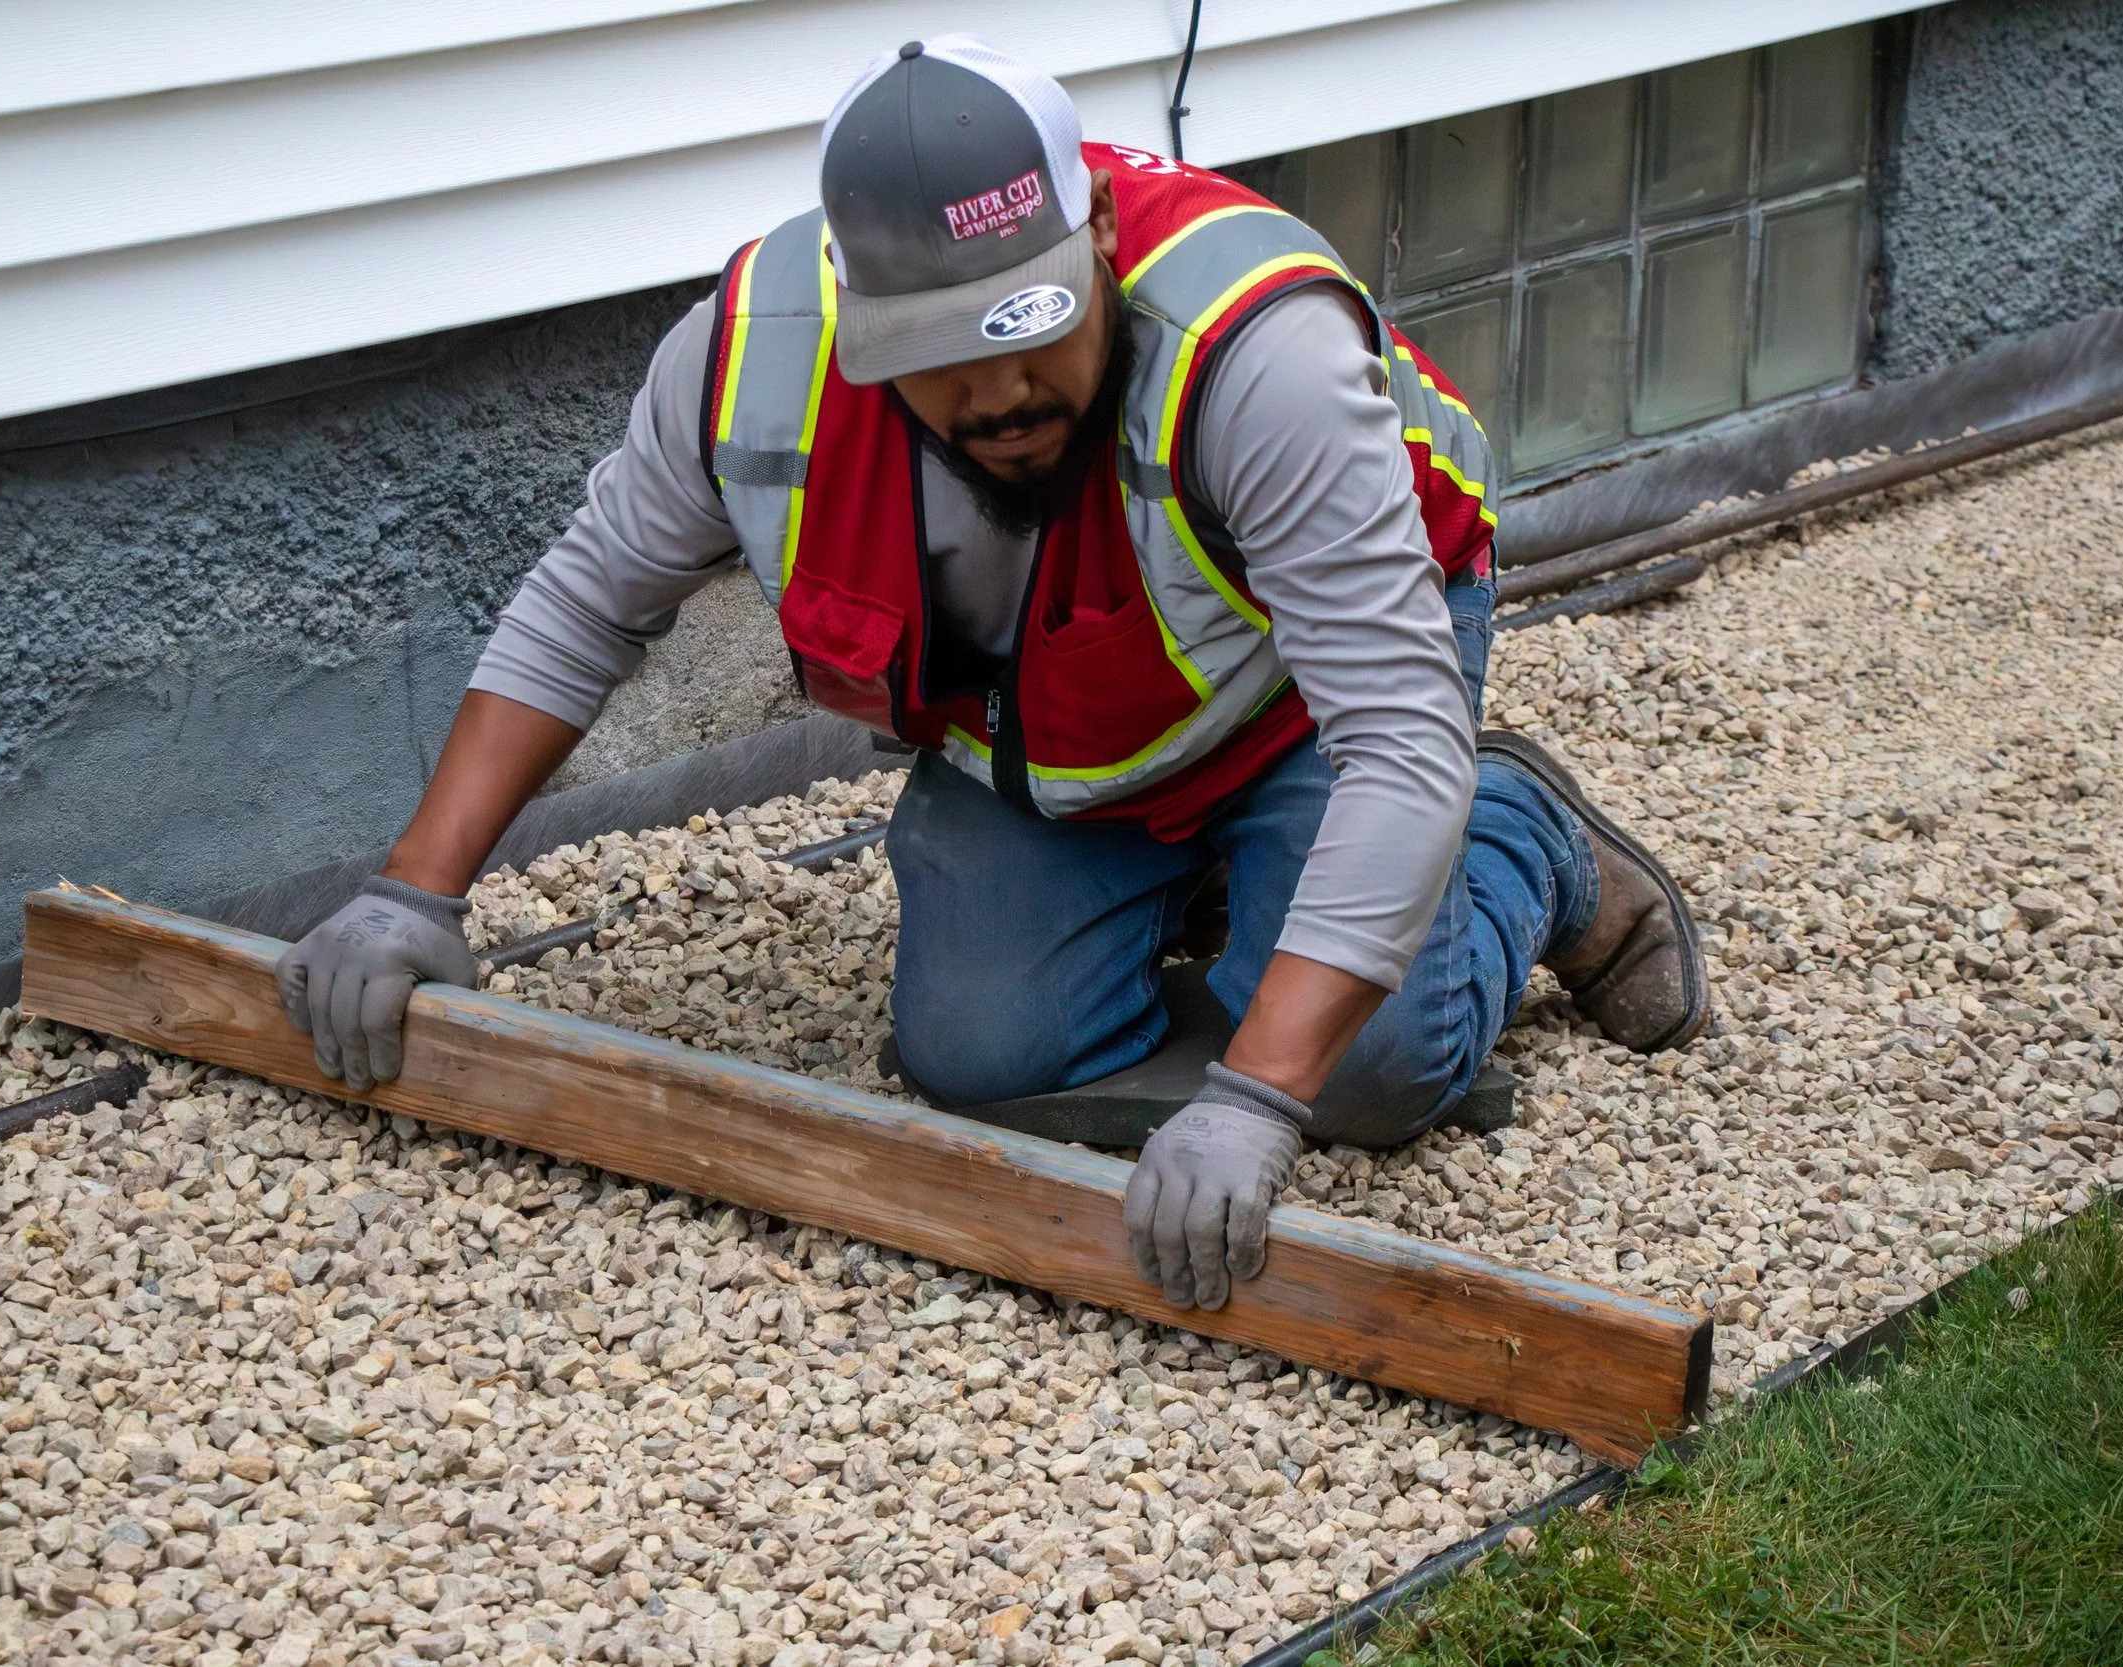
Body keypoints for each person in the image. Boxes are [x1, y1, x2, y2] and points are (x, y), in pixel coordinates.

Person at [276, 36, 1709, 1314]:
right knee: (976, 1052)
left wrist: (1259, 1099)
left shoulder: (1250, 353)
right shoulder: (751, 361)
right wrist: (416, 893)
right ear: (855, 313)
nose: (997, 397)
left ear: (1091, 226)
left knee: (1373, 1069)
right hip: (1068, 728)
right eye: (940, 357)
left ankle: (1524, 837)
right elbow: (584, 603)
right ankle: (1231, 883)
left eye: (1026, 333)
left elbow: (1393, 740)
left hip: (1302, 697)